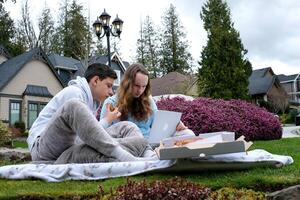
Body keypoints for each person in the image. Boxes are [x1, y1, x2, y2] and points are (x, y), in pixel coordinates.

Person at [27, 63, 152, 164]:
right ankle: (126, 156)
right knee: (73, 105)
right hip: (44, 151)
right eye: (108, 86)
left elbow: (89, 136)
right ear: (96, 81)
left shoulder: (93, 102)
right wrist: (107, 120)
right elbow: (85, 137)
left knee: (127, 127)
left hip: (69, 150)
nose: (110, 92)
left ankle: (149, 156)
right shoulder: (74, 93)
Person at [100, 63, 194, 140]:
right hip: (127, 145)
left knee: (188, 134)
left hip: (151, 142)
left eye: (144, 86)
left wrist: (174, 124)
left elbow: (159, 125)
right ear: (127, 83)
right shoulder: (111, 103)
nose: (140, 90)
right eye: (136, 85)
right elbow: (102, 134)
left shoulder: (148, 100)